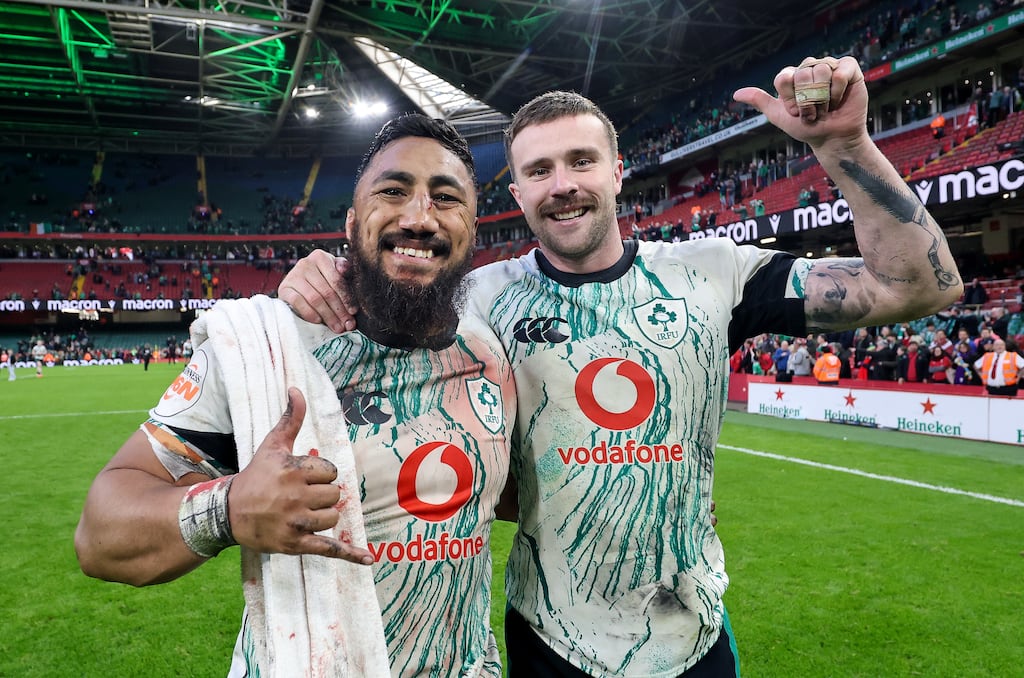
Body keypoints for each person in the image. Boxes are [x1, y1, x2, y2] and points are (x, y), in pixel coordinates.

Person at [281, 55, 963, 677]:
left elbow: (916, 287)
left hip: (691, 633)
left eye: (581, 161)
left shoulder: (713, 273)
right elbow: (384, 297)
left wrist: (845, 146)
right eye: (539, 171)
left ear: (616, 171)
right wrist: (323, 275)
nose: (562, 185)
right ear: (517, 193)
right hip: (551, 639)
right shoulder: (477, 301)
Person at [75, 114, 516, 677]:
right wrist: (228, 509)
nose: (418, 217)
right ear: (351, 222)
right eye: (393, 191)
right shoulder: (264, 348)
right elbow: (99, 535)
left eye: (446, 198)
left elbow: (513, 496)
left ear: (472, 230)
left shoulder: (491, 350)